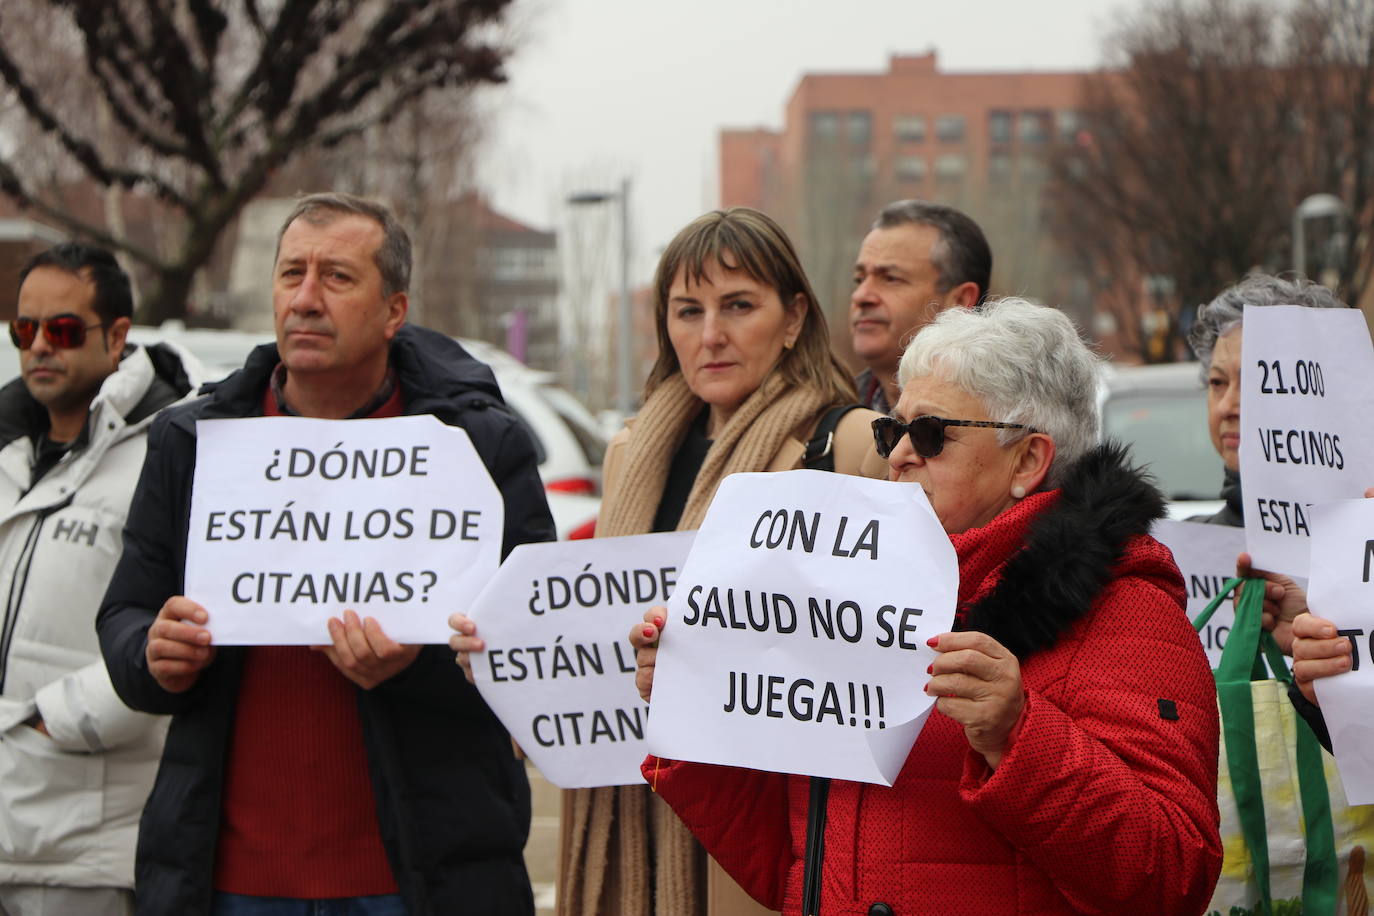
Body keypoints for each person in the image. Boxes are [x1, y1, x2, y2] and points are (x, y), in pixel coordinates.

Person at [631, 298, 1223, 915]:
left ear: (1027, 459)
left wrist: (1018, 737)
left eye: (932, 434)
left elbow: (1174, 878)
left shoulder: (1127, 612)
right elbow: (790, 863)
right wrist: (694, 699)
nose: (898, 455)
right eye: (893, 429)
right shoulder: (846, 600)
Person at [96, 192, 555, 915]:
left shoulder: (478, 447)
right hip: (224, 882)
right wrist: (153, 655)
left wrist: (416, 666)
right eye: (291, 275)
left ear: (394, 310)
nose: (305, 299)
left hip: (421, 877)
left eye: (337, 277)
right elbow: (125, 610)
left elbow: (537, 650)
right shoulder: (192, 444)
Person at [451, 207, 884, 915]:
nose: (709, 334)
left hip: (767, 829)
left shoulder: (853, 447)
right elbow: (595, 627)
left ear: (794, 317)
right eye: (687, 311)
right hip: (631, 821)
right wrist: (510, 658)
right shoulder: (631, 453)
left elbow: (886, 648)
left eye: (738, 305)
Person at [0, 243, 199, 916]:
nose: (38, 348)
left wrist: (56, 721)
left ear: (117, 336)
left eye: (61, 330)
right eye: (23, 330)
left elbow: (181, 623)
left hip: (83, 847)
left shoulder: (170, 453)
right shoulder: (6, 454)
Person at [1187, 273, 1348, 526]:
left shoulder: (1357, 540)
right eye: (1218, 382)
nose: (1226, 407)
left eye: (1253, 383)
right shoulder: (1179, 553)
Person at [850, 200, 991, 414]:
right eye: (859, 279)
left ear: (960, 301)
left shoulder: (1006, 420)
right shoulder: (826, 419)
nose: (861, 296)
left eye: (890, 278)